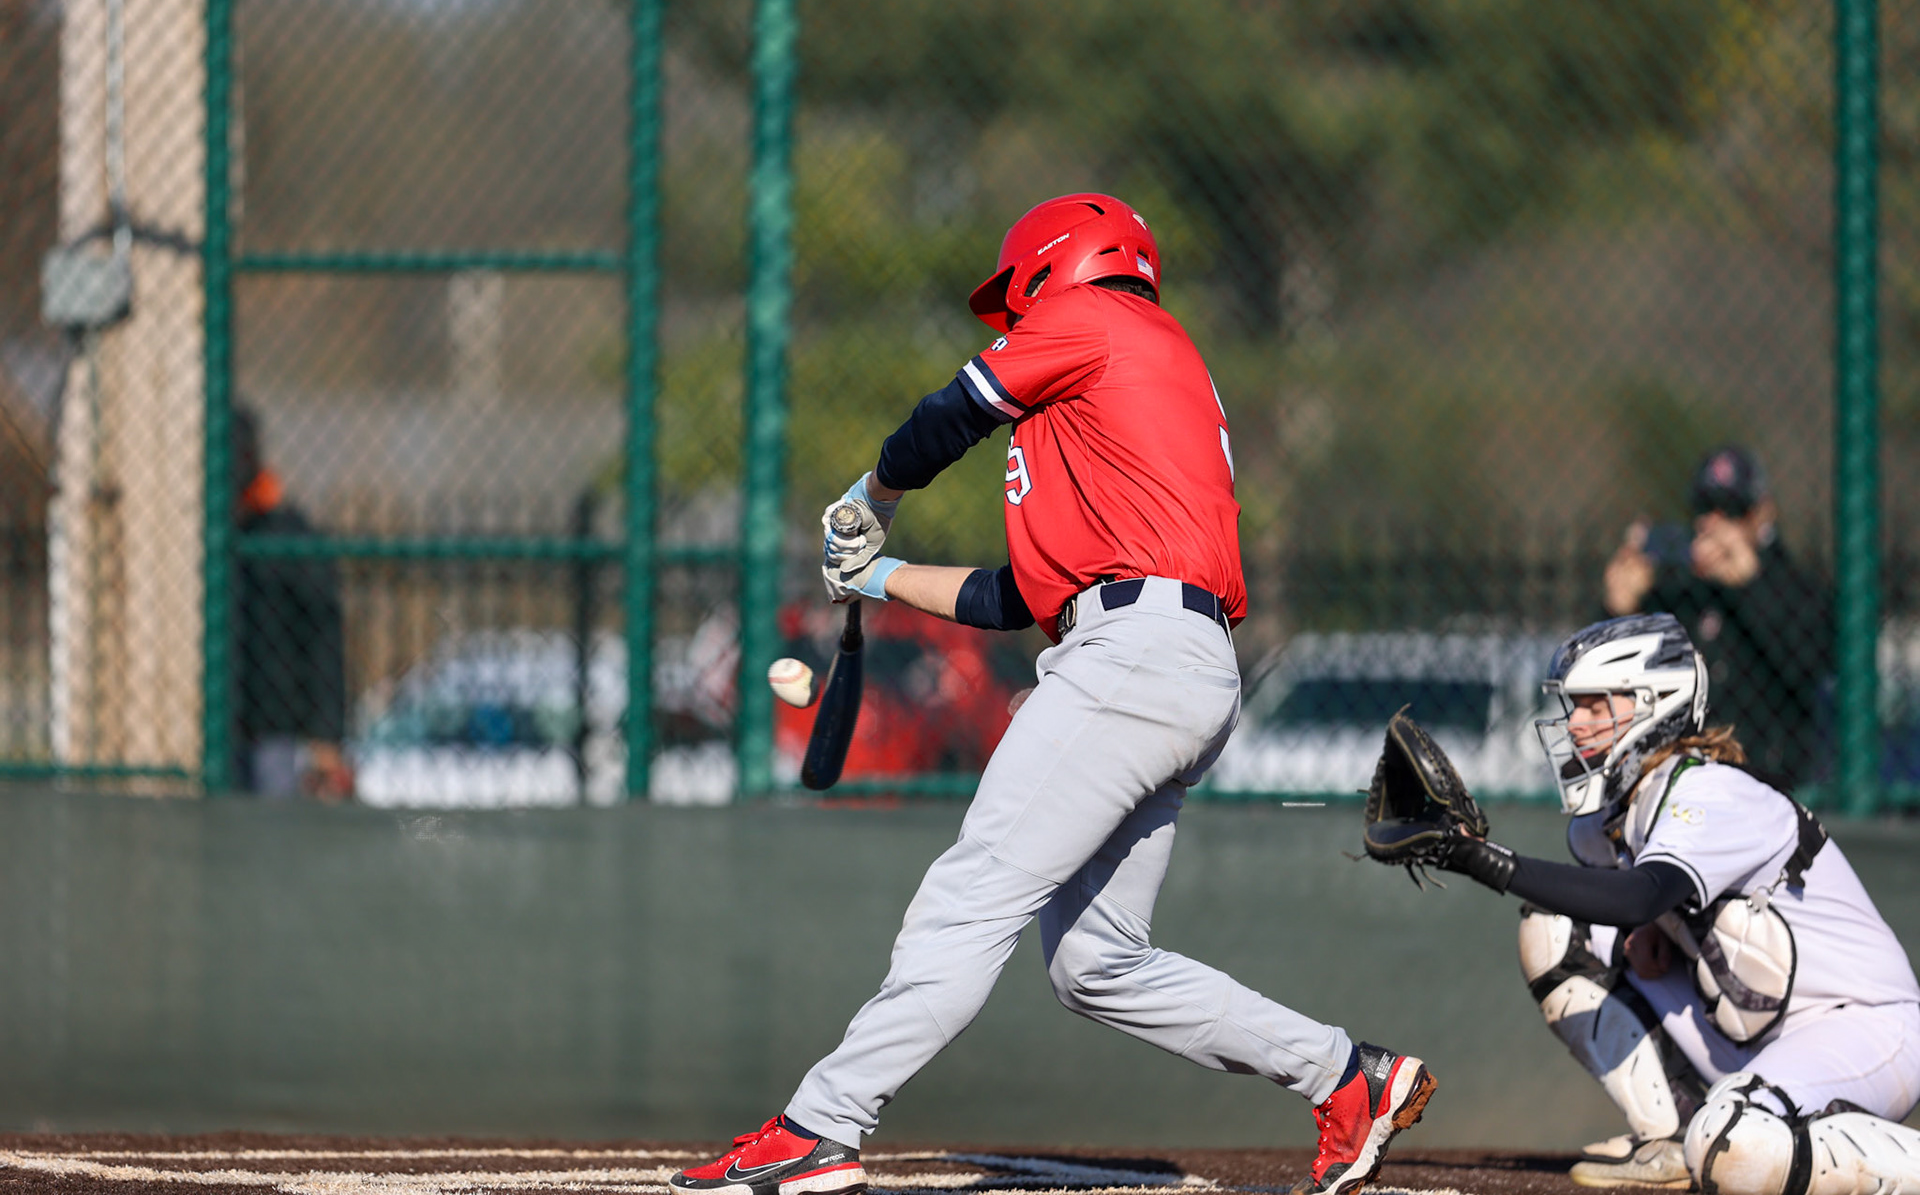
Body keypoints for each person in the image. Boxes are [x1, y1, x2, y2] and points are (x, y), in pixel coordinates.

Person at [669, 195, 1435, 1195]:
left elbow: (945, 418)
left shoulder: (1097, 319)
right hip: (1168, 655)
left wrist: (873, 494)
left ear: (1057, 266)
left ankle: (822, 1122)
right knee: (1097, 963)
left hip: (1131, 655)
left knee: (968, 898)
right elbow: (1016, 596)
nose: (1009, 319)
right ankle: (1345, 1075)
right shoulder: (1121, 391)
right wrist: (878, 576)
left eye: (1014, 296)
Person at [1402, 613, 1920, 1193]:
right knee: (1557, 932)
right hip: (1753, 1031)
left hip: (1864, 1029)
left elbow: (1639, 895)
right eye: (1574, 706)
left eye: (1597, 705)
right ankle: (1671, 1136)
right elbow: (1623, 907)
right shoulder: (1614, 816)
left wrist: (1482, 859)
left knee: (1732, 1146)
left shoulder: (1710, 789)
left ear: (1658, 703)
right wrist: (1654, 929)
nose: (1576, 725)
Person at [1603, 445, 1830, 787]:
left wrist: (1752, 586)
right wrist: (1620, 611)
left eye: (1731, 510)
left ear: (1761, 513)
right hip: (1678, 781)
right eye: (1705, 508)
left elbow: (1812, 666)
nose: (1713, 522)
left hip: (1767, 784)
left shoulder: (1796, 586)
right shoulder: (1680, 588)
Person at [233, 406, 351, 800]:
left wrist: (326, 734)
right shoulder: (205, 532)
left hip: (277, 730)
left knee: (273, 834)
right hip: (219, 726)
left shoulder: (288, 534)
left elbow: (324, 636)